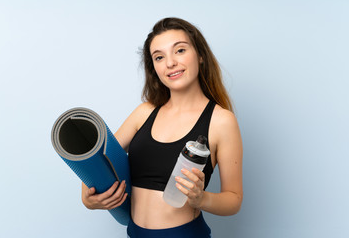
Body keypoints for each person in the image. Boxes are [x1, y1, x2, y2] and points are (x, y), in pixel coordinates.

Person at [81, 17, 243, 237]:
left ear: (201, 55)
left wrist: (202, 198)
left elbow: (233, 199)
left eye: (180, 51)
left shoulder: (221, 121)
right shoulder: (144, 113)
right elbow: (99, 159)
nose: (170, 63)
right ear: (154, 67)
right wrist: (89, 197)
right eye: (159, 57)